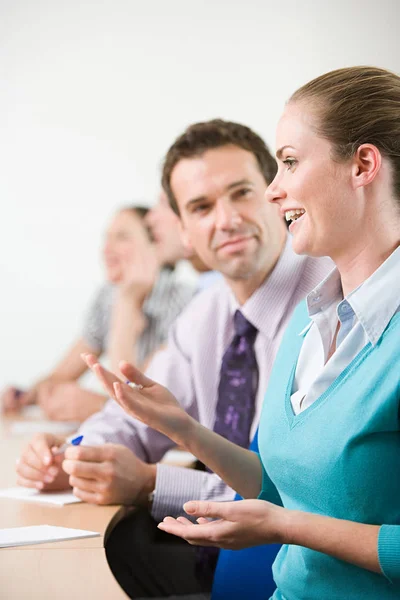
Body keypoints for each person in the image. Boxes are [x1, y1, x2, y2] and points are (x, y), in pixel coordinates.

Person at [89, 67, 400, 599]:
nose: (275, 191)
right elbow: (279, 486)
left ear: (363, 165)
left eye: (290, 162)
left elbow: (287, 516)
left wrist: (284, 528)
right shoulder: (314, 314)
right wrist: (184, 430)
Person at [15, 119, 332, 597]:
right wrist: (76, 455)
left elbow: (293, 493)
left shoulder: (329, 298)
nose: (224, 220)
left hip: (298, 563)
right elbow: (130, 417)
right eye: (201, 207)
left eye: (240, 193)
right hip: (215, 556)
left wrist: (148, 484)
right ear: (184, 233)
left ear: (274, 194)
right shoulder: (205, 313)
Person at [2, 205, 195, 421]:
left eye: (122, 237)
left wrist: (127, 302)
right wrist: (28, 395)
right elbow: (62, 375)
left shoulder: (186, 302)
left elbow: (138, 399)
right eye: (107, 239)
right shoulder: (107, 296)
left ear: (154, 246)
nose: (106, 250)